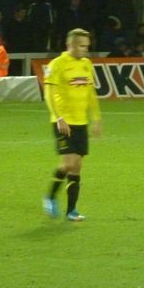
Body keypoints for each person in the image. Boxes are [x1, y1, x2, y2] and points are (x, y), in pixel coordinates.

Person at [42, 28, 101, 222]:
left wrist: (97, 119)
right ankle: (50, 198)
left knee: (77, 167)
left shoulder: (86, 65)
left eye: (87, 46)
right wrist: (59, 117)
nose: (85, 49)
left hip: (81, 123)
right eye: (82, 46)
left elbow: (91, 93)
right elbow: (49, 94)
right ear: (71, 45)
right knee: (68, 164)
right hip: (63, 122)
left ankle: (71, 211)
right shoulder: (57, 64)